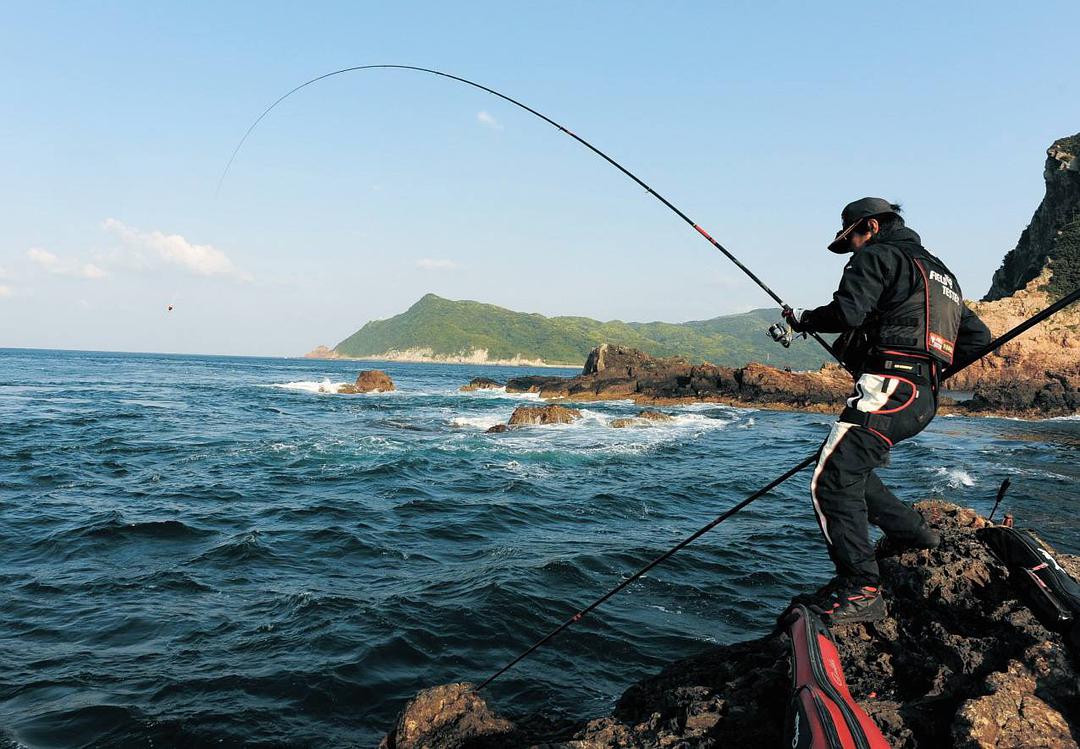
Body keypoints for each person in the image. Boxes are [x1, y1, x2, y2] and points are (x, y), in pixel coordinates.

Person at [783, 197, 991, 624]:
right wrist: (927, 368)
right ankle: (913, 534)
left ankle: (861, 589)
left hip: (890, 387)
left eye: (854, 238)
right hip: (922, 398)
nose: (855, 248)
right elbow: (978, 339)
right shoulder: (942, 275)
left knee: (832, 480)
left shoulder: (879, 255)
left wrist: (802, 318)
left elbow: (847, 311)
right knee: (853, 471)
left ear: (871, 227)